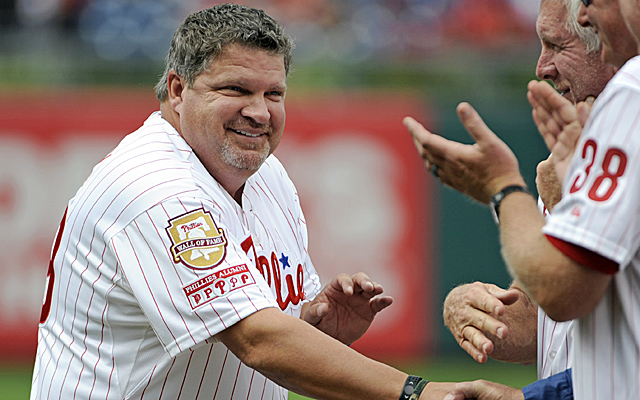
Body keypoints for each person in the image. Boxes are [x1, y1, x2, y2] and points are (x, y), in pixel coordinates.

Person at [30, 4, 455, 400]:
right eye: (237, 89)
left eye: (274, 94)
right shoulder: (153, 184)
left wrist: (314, 326)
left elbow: (272, 330)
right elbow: (258, 340)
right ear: (178, 90)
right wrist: (418, 392)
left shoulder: (267, 174)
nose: (260, 112)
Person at [405, 0, 640, 396]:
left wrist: (503, 190)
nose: (541, 67)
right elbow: (558, 317)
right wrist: (482, 310)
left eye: (556, 46)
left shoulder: (630, 94)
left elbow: (563, 294)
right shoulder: (578, 143)